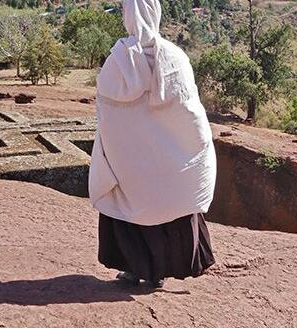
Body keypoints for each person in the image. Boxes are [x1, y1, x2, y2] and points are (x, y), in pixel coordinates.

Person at [88, 0, 217, 289]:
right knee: (167, 206)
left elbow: (107, 117)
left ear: (128, 17)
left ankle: (135, 270)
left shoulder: (116, 62)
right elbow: (191, 115)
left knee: (130, 203)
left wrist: (126, 146)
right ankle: (158, 272)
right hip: (172, 164)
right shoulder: (175, 59)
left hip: (130, 165)